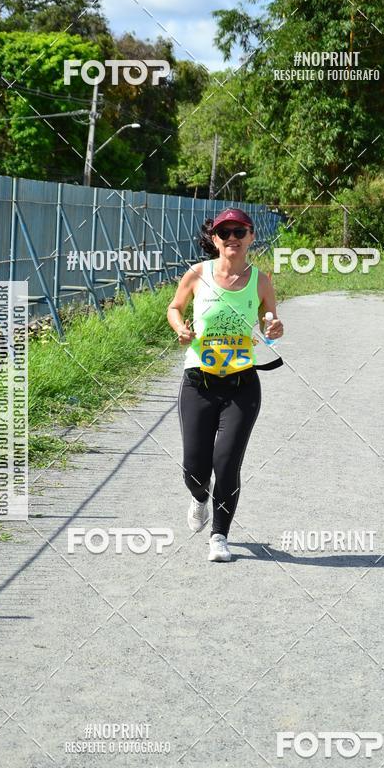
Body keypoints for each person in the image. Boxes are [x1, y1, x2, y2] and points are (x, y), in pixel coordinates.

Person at [167, 208, 283, 562]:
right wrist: (180, 328)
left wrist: (274, 329)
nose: (232, 237)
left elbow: (270, 324)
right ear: (214, 239)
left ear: (250, 236)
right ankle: (200, 497)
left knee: (227, 463)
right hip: (198, 382)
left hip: (241, 385)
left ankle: (220, 537)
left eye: (239, 231)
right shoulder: (197, 274)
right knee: (194, 468)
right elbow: (174, 307)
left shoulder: (260, 281)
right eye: (224, 232)